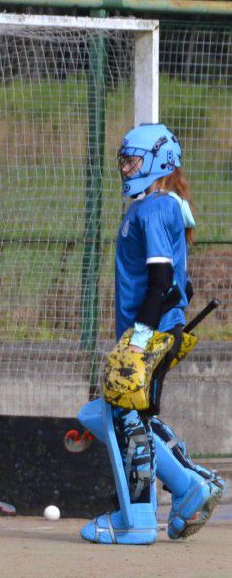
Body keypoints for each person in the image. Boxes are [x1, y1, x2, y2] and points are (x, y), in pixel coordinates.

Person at [77, 123, 226, 545]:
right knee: (134, 415)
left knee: (127, 420)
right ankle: (188, 488)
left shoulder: (153, 208)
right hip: (161, 330)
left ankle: (138, 519)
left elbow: (161, 279)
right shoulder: (159, 207)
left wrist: (140, 337)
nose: (125, 168)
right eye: (123, 160)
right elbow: (184, 283)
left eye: (133, 160)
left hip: (150, 333)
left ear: (158, 161)